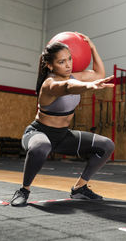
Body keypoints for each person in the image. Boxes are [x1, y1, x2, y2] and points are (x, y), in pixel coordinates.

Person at [11, 33, 115, 206]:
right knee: (41, 146)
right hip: (38, 133)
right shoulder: (49, 84)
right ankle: (24, 189)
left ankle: (79, 188)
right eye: (61, 62)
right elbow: (67, 87)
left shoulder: (75, 76)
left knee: (107, 145)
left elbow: (99, 73)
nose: (68, 65)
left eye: (69, 59)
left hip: (62, 136)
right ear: (50, 65)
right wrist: (88, 86)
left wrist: (92, 48)